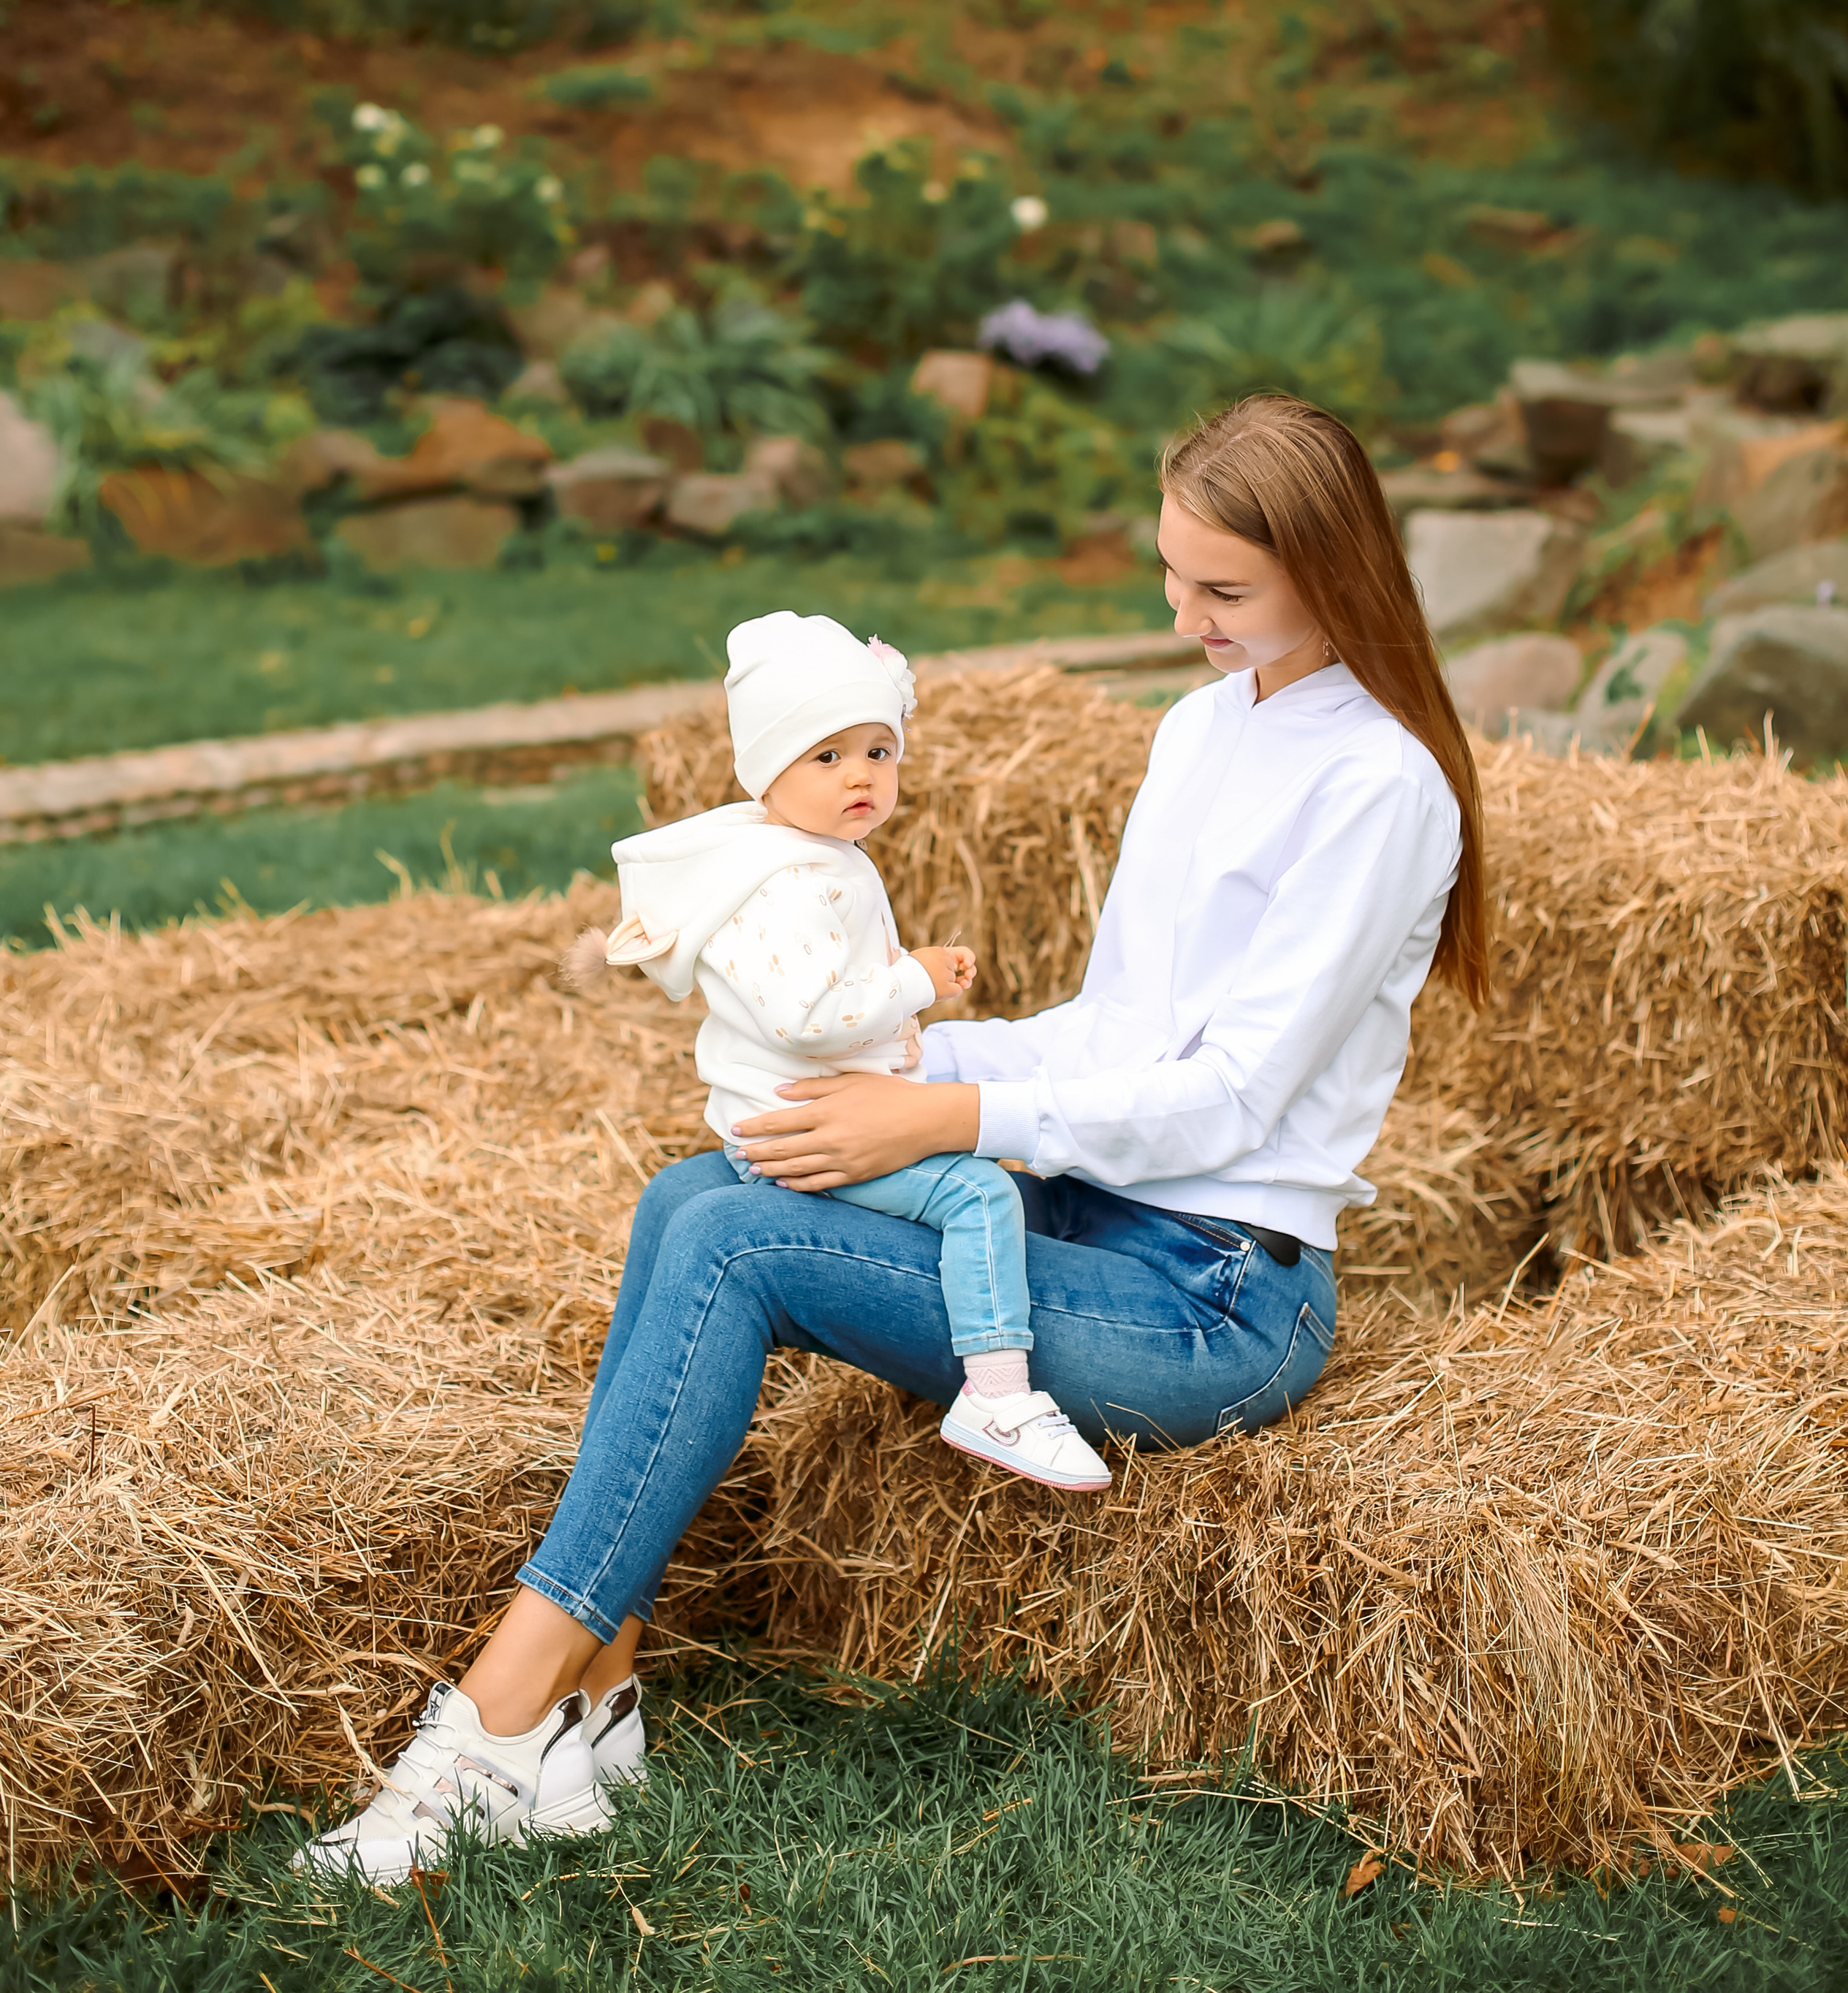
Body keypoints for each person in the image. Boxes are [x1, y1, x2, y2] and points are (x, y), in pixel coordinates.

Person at [295, 391, 1489, 1886]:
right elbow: (1112, 1036)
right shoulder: (1197, 727)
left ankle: (493, 1718)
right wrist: (871, 1063)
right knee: (697, 1188)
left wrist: (944, 1113)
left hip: (1213, 1294)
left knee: (735, 1243)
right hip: (1079, 1213)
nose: (1181, 612)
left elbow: (1229, 1101)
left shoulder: (1377, 785)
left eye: (1221, 589)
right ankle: (589, 1713)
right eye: (1168, 573)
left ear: (1332, 568)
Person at [574, 610, 1109, 1495]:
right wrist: (915, 981)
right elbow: (807, 1017)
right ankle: (998, 1394)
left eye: (878, 751)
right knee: (979, 1193)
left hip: (796, 1113)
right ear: (768, 771)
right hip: (799, 1129)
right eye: (827, 757)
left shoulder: (810, 855)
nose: (860, 775)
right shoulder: (792, 880)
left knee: (966, 1172)